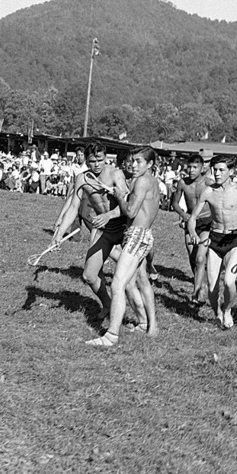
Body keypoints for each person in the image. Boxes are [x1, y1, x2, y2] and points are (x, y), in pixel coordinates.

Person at [87, 148, 160, 346]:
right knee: (140, 282)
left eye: (138, 162)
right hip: (138, 235)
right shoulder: (149, 181)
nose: (133, 165)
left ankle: (111, 335)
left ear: (150, 164)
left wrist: (119, 195)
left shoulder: (143, 181)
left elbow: (130, 210)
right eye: (132, 161)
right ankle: (149, 325)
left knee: (117, 284)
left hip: (137, 236)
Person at [52, 143, 130, 319]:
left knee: (130, 281)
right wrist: (58, 234)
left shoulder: (115, 174)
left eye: (100, 160)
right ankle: (108, 304)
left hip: (125, 227)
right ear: (86, 160)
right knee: (89, 275)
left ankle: (143, 321)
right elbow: (73, 207)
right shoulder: (82, 178)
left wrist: (110, 215)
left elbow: (129, 206)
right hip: (105, 229)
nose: (96, 164)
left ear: (106, 158)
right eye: (92, 161)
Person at [187, 155, 237, 329]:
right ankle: (217, 313)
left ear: (231, 172)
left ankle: (227, 310)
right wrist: (192, 232)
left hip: (234, 239)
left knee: (229, 282)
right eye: (214, 170)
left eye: (221, 170)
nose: (217, 174)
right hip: (215, 239)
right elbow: (193, 218)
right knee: (212, 288)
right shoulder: (209, 192)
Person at [171, 153, 211, 304]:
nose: (191, 170)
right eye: (189, 167)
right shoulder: (183, 183)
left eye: (195, 167)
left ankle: (196, 292)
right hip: (190, 224)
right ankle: (203, 283)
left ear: (202, 168)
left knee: (201, 258)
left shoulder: (209, 183)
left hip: (206, 223)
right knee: (193, 258)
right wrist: (183, 214)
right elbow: (174, 203)